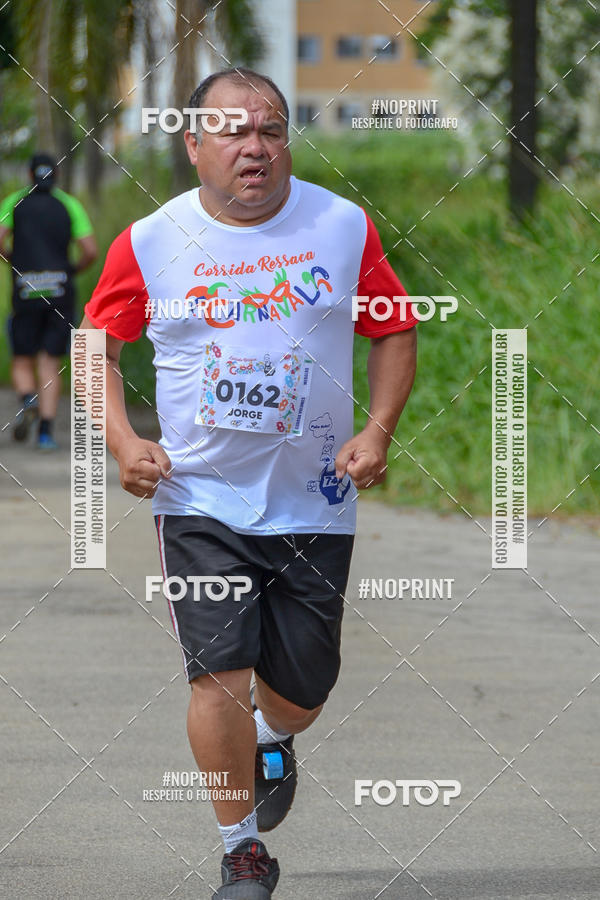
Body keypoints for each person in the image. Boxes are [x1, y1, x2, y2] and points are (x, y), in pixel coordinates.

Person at [81, 68, 417, 899]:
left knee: (303, 689)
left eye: (269, 129)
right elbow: (97, 348)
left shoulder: (340, 226)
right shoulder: (151, 241)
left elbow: (395, 328)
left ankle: (275, 733)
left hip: (314, 503)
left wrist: (376, 432)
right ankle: (241, 851)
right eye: (232, 132)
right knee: (216, 675)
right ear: (194, 147)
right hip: (198, 500)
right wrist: (125, 442)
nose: (255, 146)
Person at [0, 153, 97, 449]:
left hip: (25, 290)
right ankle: (45, 433)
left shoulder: (14, 202)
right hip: (60, 292)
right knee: (49, 362)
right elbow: (90, 250)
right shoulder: (69, 204)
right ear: (56, 175)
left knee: (21, 357)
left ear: (29, 176)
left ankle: (28, 398)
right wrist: (70, 271)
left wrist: (14, 262)